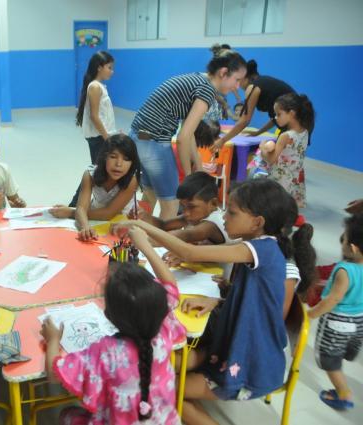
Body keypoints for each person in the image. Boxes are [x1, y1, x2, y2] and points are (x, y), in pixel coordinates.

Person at [113, 179, 301, 425]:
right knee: (161, 369)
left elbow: (189, 251)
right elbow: (259, 299)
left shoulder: (260, 249)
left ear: (258, 222)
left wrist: (141, 230)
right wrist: (218, 299)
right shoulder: (263, 246)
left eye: (231, 213)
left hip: (251, 364)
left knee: (158, 390)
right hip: (239, 350)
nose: (224, 219)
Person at [41, 231, 186, 424]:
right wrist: (146, 247)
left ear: (108, 314)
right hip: (164, 420)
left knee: (66, 415)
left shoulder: (107, 351)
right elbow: (170, 284)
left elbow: (54, 373)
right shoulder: (163, 327)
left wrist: (53, 340)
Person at [130, 49, 246, 219]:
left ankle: (135, 233)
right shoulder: (207, 90)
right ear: (223, 73)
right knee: (171, 204)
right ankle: (155, 243)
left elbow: (188, 132)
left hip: (138, 138)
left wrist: (198, 163)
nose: (237, 86)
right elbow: (183, 137)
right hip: (154, 142)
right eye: (236, 80)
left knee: (150, 194)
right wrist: (189, 177)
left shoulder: (198, 79)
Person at [308, 213, 363, 411]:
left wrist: (311, 314)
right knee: (344, 350)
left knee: (330, 360)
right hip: (359, 322)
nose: (342, 241)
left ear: (353, 247)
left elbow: (334, 299)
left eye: (344, 238)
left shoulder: (344, 270)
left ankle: (343, 393)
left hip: (338, 323)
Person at [49, 134, 140, 241]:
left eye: (126, 159)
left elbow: (108, 213)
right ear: (104, 157)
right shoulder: (89, 174)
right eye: (113, 156)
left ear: (132, 163)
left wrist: (71, 212)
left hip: (122, 221)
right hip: (96, 215)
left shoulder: (132, 180)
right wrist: (85, 227)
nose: (119, 164)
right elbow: (82, 208)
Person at [214, 59, 296, 150]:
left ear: (247, 78)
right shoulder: (265, 82)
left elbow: (244, 120)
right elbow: (275, 119)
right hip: (303, 125)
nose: (238, 86)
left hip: (293, 128)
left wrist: (222, 140)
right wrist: (258, 132)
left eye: (239, 81)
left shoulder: (253, 87)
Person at [259, 93, 315, 208]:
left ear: (291, 113)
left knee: (274, 205)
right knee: (287, 205)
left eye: (278, 114)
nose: (275, 117)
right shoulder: (305, 131)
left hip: (281, 177)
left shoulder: (286, 136)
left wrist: (262, 148)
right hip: (295, 175)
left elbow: (271, 159)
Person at [76, 50, 116, 164]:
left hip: (101, 135)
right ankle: (86, 182)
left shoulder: (99, 86)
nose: (112, 71)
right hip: (99, 137)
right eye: (109, 67)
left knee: (99, 169)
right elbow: (94, 116)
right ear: (99, 67)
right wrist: (107, 138)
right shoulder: (95, 87)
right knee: (99, 170)